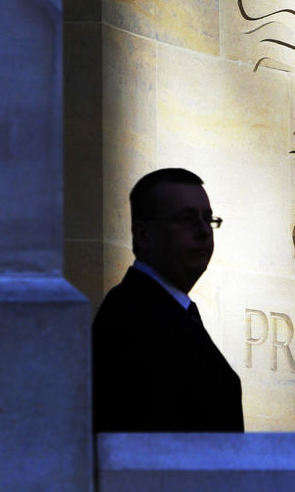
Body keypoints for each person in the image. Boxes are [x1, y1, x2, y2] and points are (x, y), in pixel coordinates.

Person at [92, 168, 244, 432]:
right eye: (186, 219)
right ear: (143, 235)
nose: (203, 232)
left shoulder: (162, 308)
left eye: (207, 219)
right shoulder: (131, 321)